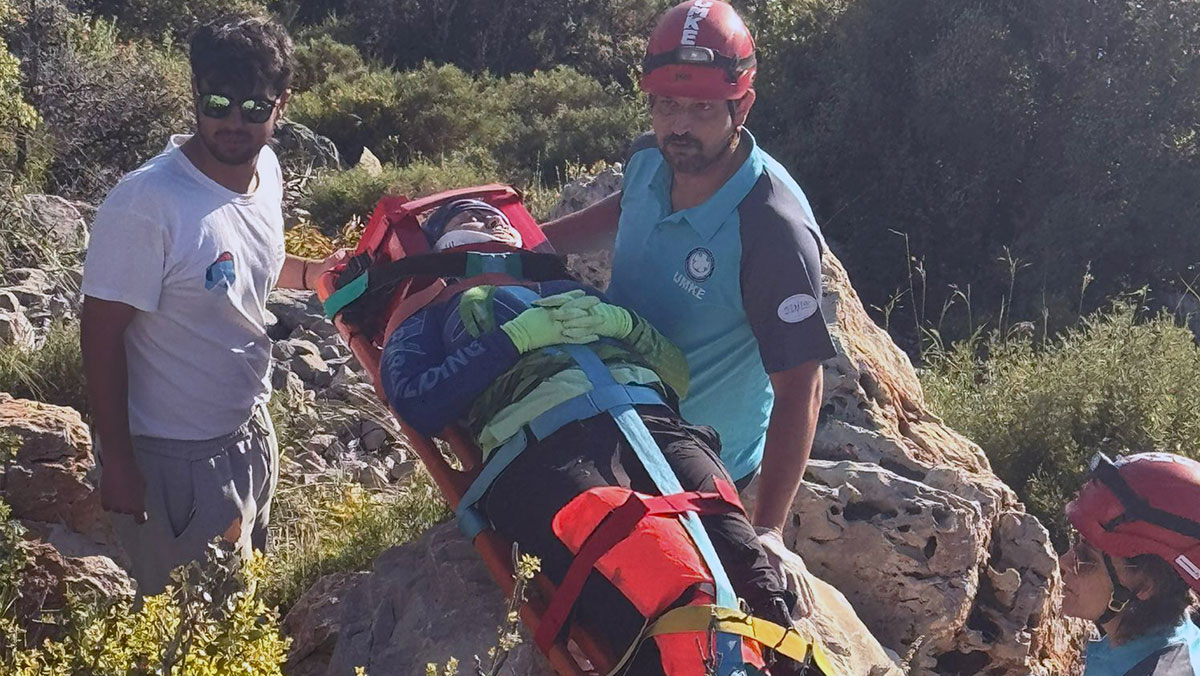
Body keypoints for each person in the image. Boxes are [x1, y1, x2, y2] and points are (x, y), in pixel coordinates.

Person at [381, 199, 806, 675]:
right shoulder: (429, 308)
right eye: (466, 217)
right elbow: (416, 401)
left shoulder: (569, 288)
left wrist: (624, 325)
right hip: (542, 446)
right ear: (439, 241)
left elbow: (676, 374)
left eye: (493, 214)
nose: (488, 220)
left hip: (653, 424)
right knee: (654, 573)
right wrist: (512, 340)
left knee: (751, 572)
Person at [540, 0, 836, 541]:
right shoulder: (652, 158)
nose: (678, 126)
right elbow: (629, 205)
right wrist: (533, 241)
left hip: (696, 460)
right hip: (612, 406)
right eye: (666, 104)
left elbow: (801, 388)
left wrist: (767, 534)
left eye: (701, 108)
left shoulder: (769, 229)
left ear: (740, 106)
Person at [80, 15, 345, 596]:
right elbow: (100, 334)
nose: (232, 123)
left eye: (254, 108)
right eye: (217, 103)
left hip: (250, 431)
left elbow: (245, 265)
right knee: (187, 633)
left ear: (282, 105)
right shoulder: (148, 203)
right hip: (173, 460)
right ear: (195, 94)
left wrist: (313, 274)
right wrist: (120, 463)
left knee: (242, 604)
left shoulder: (266, 172)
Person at [1059, 452, 1200, 675]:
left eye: (1085, 558)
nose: (1063, 562)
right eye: (1074, 543)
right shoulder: (1153, 645)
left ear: (1146, 585)